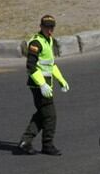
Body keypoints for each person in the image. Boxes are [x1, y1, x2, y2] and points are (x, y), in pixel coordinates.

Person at [17, 15, 69, 156]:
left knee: (42, 114)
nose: (50, 30)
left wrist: (61, 80)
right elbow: (31, 66)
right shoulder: (36, 43)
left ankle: (25, 141)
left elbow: (50, 65)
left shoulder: (49, 41)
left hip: (46, 84)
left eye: (52, 27)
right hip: (38, 86)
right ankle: (47, 145)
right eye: (47, 27)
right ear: (41, 27)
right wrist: (42, 85)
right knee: (50, 115)